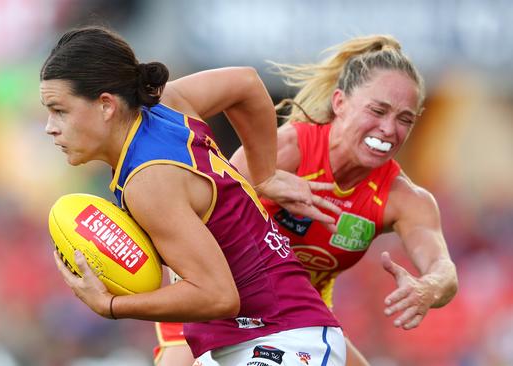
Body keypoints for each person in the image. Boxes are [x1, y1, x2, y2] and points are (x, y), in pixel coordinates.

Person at [40, 26, 346, 365]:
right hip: (261, 339)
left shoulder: (148, 181)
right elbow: (245, 83)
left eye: (59, 110)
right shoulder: (166, 106)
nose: (50, 126)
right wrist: (264, 174)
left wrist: (111, 306)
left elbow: (217, 296)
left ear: (106, 106)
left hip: (282, 337)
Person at [154, 35, 459, 366]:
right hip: (216, 303)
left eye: (405, 119)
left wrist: (428, 288)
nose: (389, 128)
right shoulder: (285, 152)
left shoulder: (403, 198)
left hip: (300, 321)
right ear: (340, 103)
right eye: (378, 110)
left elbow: (444, 271)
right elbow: (195, 219)